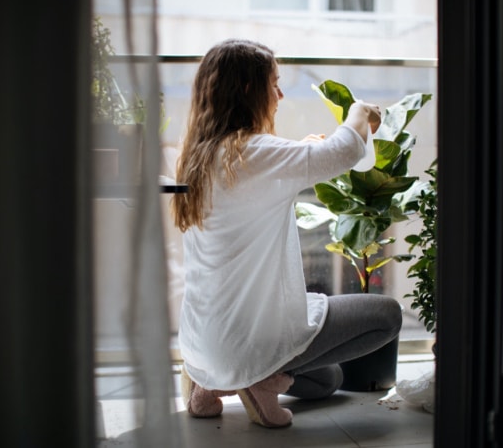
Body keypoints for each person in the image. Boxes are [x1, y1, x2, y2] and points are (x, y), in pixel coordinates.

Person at [171, 39, 402, 428]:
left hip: (202, 342)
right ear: (248, 90)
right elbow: (345, 152)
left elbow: (249, 184)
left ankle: (213, 384)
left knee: (328, 380)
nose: (279, 95)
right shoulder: (255, 151)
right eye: (274, 84)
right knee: (388, 315)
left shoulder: (198, 155)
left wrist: (298, 152)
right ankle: (253, 377)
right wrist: (360, 112)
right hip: (245, 340)